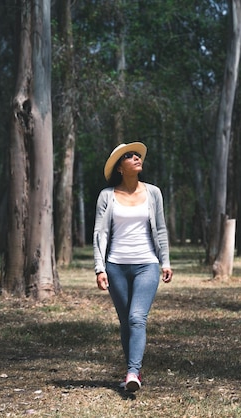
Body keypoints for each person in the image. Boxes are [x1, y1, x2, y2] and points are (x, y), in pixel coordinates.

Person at [93, 142, 173, 393]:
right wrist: (99, 267)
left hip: (146, 264)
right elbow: (100, 233)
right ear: (119, 167)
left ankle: (132, 373)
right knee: (126, 322)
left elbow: (160, 228)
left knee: (137, 318)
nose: (137, 157)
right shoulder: (107, 195)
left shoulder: (153, 193)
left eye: (137, 155)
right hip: (116, 266)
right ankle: (133, 370)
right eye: (129, 156)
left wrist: (165, 261)